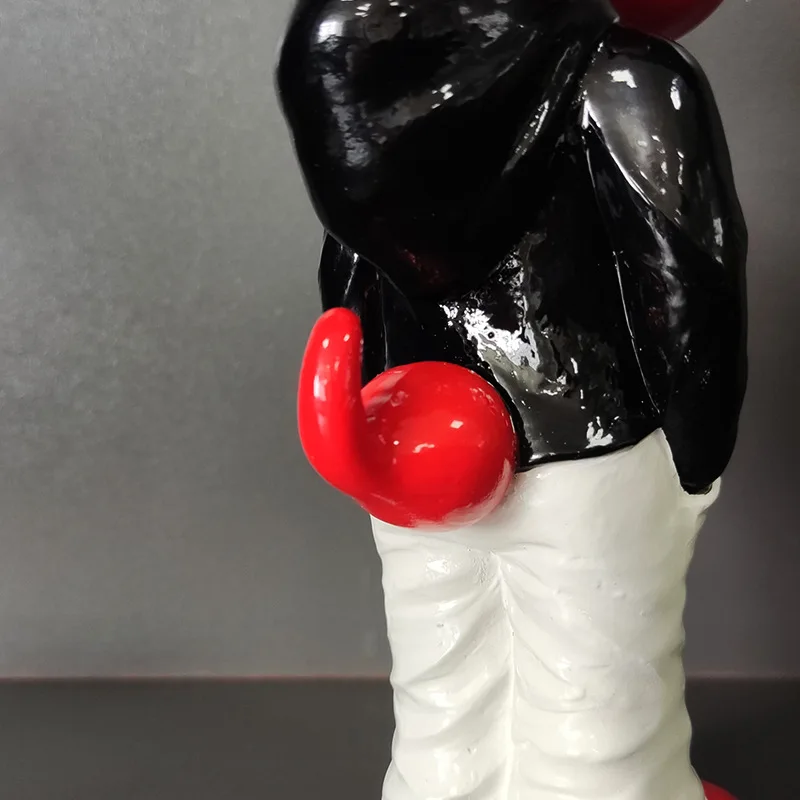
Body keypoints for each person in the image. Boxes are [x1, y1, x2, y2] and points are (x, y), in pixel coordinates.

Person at [278, 2, 746, 798]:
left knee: (444, 674)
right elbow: (685, 270)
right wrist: (697, 458)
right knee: (594, 679)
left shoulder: (348, 69)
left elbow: (348, 264)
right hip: (588, 431)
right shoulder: (625, 74)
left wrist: (375, 415)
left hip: (415, 429)